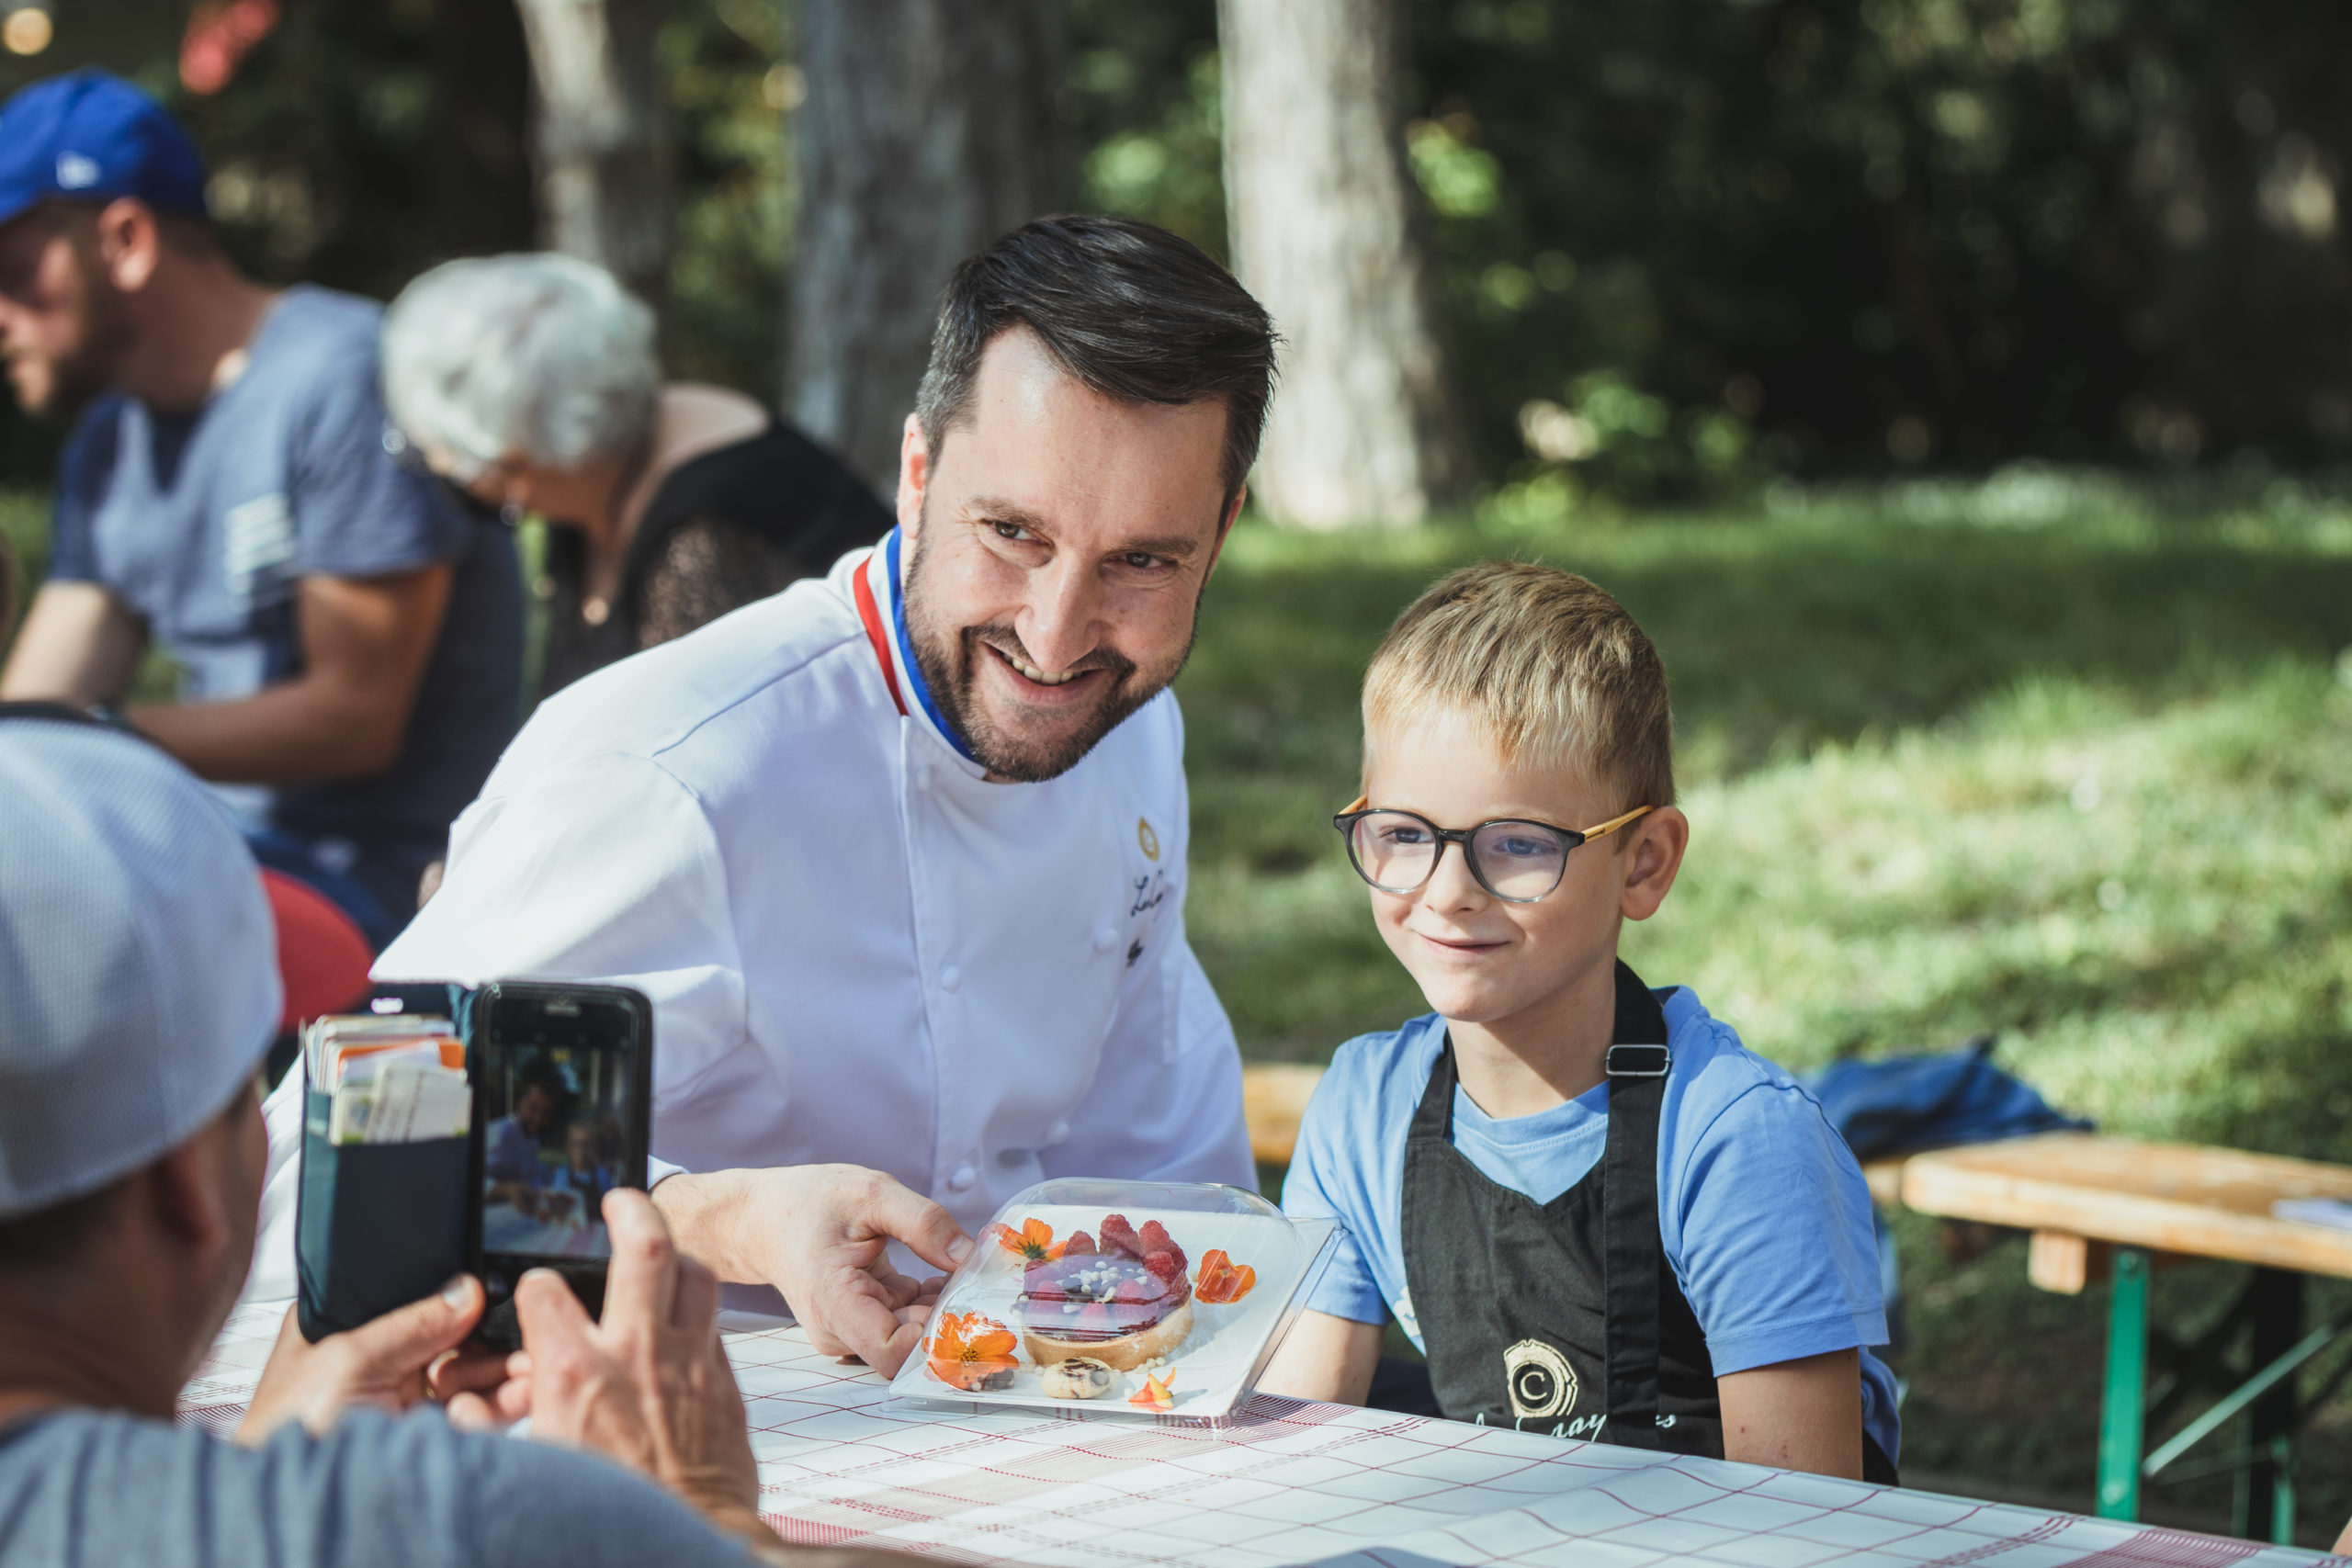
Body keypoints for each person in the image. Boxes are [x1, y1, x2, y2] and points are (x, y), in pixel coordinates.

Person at [345, 215, 1275, 1373]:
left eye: (1143, 560)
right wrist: (723, 1221)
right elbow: (365, 1158)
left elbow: (1166, 1153)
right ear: (919, 474)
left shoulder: (1134, 725)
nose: (1057, 635)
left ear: (1221, 535)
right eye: (1012, 533)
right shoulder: (670, 767)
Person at [0, 710, 909, 1567]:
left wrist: (256, 1472)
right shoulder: (453, 1522)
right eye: (248, 1085)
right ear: (182, 1185)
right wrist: (700, 1514)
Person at [1255, 561, 1902, 1483]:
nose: (1446, 894)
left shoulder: (1734, 1141)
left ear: (1642, 863)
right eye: (1402, 833)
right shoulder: (1363, 1111)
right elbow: (1300, 1457)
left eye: (1516, 845)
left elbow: (1797, 1525)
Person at [0, 70, 523, 950]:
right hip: (217, 860)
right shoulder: (111, 438)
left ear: (126, 240)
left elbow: (353, 719)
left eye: (14, 275)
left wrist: (89, 734)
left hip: (382, 896)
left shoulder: (339, 381)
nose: (1, 318)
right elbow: (41, 702)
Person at [380, 252, 891, 700]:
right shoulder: (597, 473)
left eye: (437, 452)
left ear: (516, 462)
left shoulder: (707, 545)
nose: (439, 467)